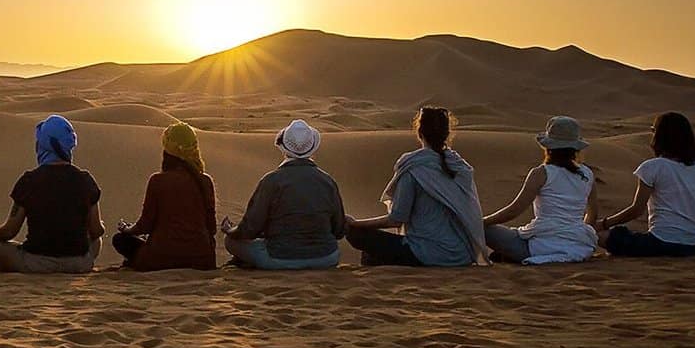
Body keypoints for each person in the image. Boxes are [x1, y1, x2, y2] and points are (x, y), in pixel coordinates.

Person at [346, 107, 487, 267]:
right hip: (462, 254)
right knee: (374, 253)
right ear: (447, 134)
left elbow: (397, 219)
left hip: (428, 254)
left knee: (356, 234)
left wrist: (356, 223)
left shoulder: (414, 167)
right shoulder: (461, 167)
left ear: (419, 133)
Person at [0, 115, 104, 274]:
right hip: (78, 263)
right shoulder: (85, 180)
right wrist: (101, 225)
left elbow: (10, 231)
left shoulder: (29, 181)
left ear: (42, 145)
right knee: (97, 241)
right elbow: (96, 231)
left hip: (37, 262)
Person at [221, 119, 343, 270]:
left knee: (230, 241)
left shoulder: (271, 180)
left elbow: (251, 228)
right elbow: (339, 230)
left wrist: (231, 230)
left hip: (281, 258)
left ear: (284, 148)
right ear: (313, 148)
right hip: (326, 257)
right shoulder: (327, 181)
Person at [480, 116, 599, 264]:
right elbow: (592, 214)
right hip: (578, 247)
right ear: (575, 148)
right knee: (518, 232)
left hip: (538, 246)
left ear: (548, 147)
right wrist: (576, 236)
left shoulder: (542, 173)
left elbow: (514, 210)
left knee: (485, 230)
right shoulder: (587, 174)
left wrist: (482, 223)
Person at [599, 112, 695, 257]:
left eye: (653, 130)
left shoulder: (653, 167)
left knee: (602, 236)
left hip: (661, 243)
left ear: (660, 136)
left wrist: (604, 224)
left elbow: (637, 210)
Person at [112, 122, 217, 271]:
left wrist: (128, 229)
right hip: (202, 259)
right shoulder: (205, 181)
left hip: (160, 258)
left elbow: (146, 225)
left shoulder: (157, 180)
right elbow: (211, 227)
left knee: (120, 240)